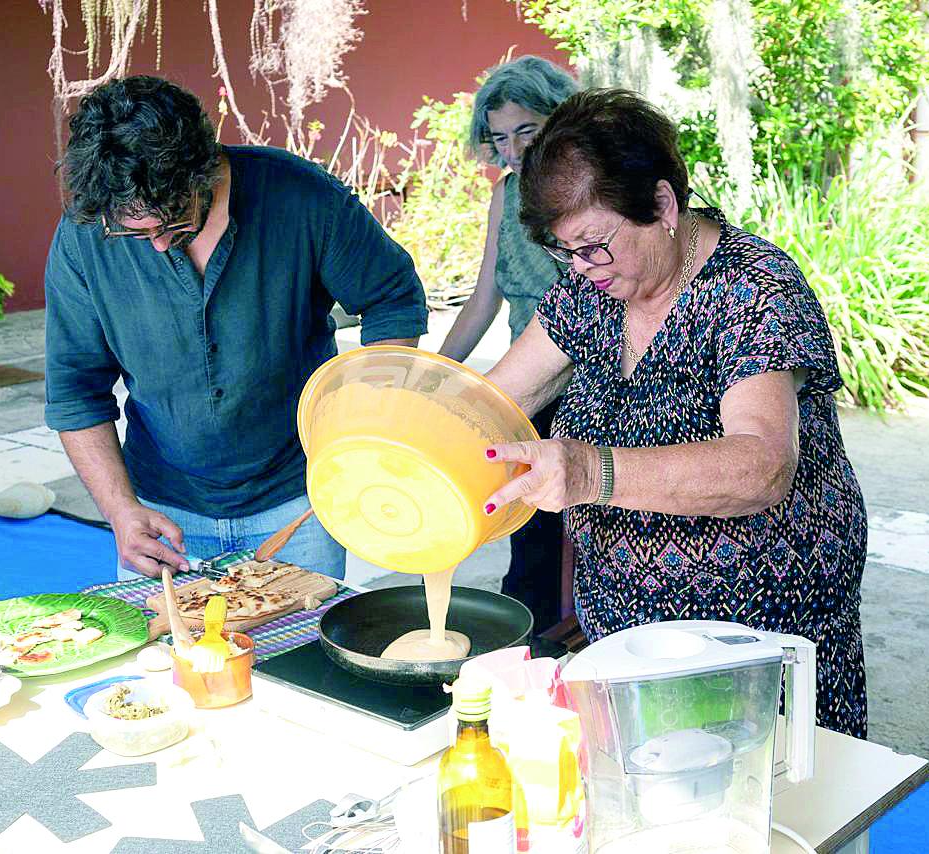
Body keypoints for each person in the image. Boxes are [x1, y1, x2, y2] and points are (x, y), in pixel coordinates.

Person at [482, 90, 869, 737]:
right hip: (630, 638)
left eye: (594, 245)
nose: (581, 268)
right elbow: (496, 402)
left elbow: (763, 464)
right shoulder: (593, 288)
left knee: (762, 811)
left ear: (662, 205)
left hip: (757, 639)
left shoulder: (754, 289)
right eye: (566, 251)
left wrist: (589, 473)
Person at [44, 76, 428, 581]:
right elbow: (75, 392)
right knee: (169, 659)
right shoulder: (83, 239)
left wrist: (364, 419)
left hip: (300, 500)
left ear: (205, 169)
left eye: (175, 223)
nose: (159, 246)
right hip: (162, 510)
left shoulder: (304, 199)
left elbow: (392, 297)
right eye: (138, 234)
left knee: (293, 657)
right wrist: (121, 511)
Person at [438, 56, 578, 635]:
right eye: (500, 138)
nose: (515, 150)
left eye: (527, 131)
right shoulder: (507, 195)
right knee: (527, 525)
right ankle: (532, 641)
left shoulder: (587, 189)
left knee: (588, 530)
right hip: (529, 383)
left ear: (560, 120)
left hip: (592, 381)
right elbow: (483, 301)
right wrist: (433, 378)